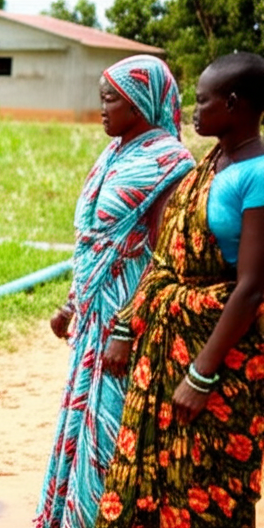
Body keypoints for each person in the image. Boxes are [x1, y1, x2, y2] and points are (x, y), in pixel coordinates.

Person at [94, 52, 264, 527]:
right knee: (152, 476)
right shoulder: (212, 164)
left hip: (223, 356)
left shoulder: (259, 175)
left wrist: (202, 374)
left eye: (202, 100)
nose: (192, 109)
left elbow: (251, 288)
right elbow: (169, 256)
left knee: (209, 484)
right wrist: (128, 324)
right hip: (168, 346)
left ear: (232, 104)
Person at [35, 55, 195, 527]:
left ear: (141, 101)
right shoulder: (115, 153)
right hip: (93, 317)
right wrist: (71, 303)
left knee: (109, 430)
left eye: (111, 99)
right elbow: (91, 238)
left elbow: (167, 256)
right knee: (82, 418)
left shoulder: (170, 163)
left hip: (128, 323)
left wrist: (126, 327)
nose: (102, 108)